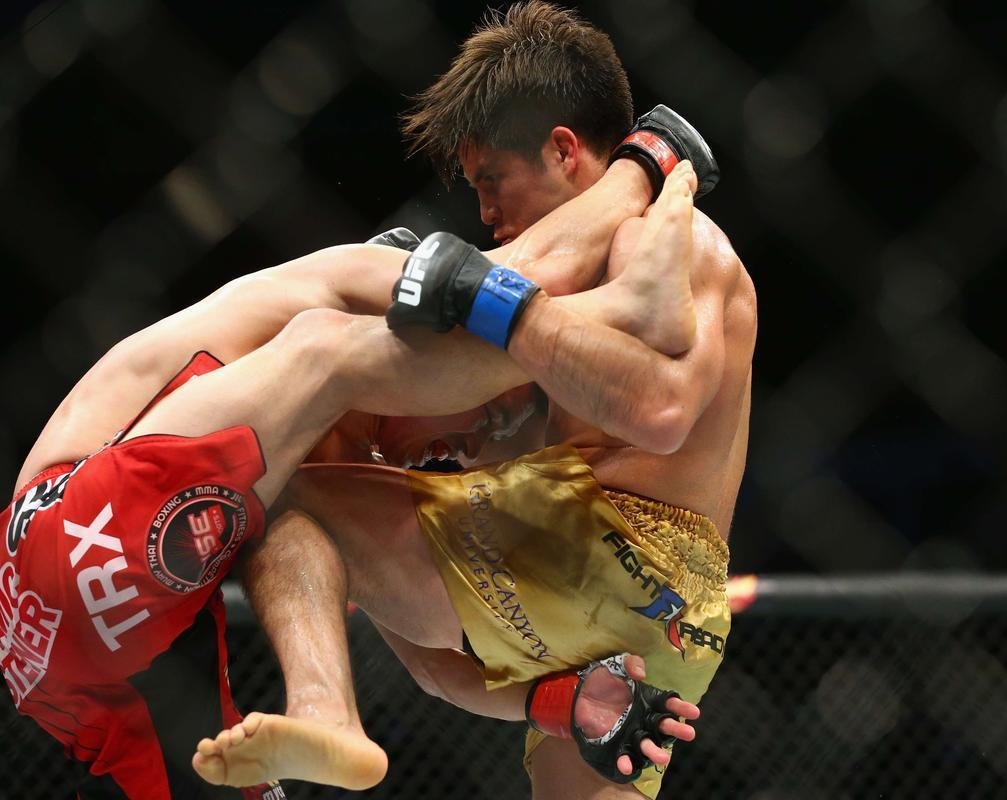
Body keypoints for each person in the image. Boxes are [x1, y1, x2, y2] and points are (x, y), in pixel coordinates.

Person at [0, 95, 709, 797]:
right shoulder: (342, 287)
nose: (458, 446)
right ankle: (626, 306)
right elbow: (520, 274)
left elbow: (433, 669)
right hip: (65, 522)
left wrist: (557, 701)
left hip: (72, 664)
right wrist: (641, 168)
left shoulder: (309, 493)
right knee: (332, 345)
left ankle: (324, 712)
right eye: (476, 421)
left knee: (235, 755)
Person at [197, 3, 756, 798]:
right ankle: (557, 702)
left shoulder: (668, 238)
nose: (487, 216)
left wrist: (489, 298)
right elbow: (525, 446)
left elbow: (659, 414)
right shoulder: (578, 279)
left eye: (493, 181)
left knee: (280, 485)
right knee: (348, 466)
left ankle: (324, 706)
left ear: (564, 150)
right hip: (665, 627)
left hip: (612, 550)